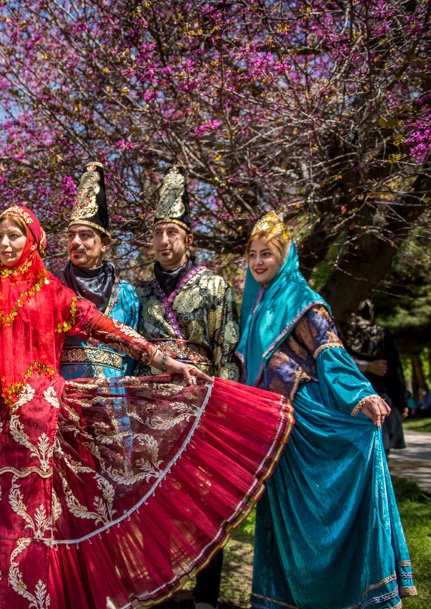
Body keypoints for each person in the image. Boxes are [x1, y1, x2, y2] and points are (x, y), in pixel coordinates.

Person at [0, 204, 294, 609]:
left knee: (27, 523)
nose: (5, 243)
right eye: (0, 236)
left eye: (14, 235)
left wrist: (167, 363)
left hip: (34, 428)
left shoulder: (54, 295)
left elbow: (114, 332)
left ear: (33, 242)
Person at [238, 212, 416, 608]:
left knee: (317, 524)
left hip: (306, 424)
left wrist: (360, 395)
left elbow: (330, 354)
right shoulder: (255, 308)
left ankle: (339, 595)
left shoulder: (305, 301)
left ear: (285, 256)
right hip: (275, 426)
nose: (259, 262)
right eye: (252, 254)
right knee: (286, 527)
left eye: (268, 253)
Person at [133, 166, 240, 609]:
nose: (163, 241)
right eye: (157, 232)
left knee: (205, 498)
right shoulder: (138, 289)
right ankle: (155, 584)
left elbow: (227, 349)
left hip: (202, 402)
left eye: (172, 232)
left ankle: (207, 595)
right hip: (152, 403)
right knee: (151, 494)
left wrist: (225, 406)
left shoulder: (215, 285)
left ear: (188, 240)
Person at [58, 162, 140, 380]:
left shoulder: (126, 294)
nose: (75, 242)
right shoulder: (54, 288)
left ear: (104, 243)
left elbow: (132, 359)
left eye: (85, 235)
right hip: (65, 398)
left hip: (114, 401)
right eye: (71, 235)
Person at [342, 299, 408, 455]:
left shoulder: (338, 333)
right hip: (378, 395)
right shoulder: (381, 334)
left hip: (347, 396)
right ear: (371, 314)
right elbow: (394, 370)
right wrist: (401, 400)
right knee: (381, 451)